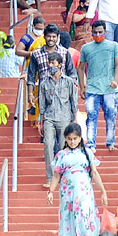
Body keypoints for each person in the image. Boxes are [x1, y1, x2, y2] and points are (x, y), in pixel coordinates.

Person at [48, 123, 108, 236]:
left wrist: (103, 191)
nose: (72, 142)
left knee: (84, 216)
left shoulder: (87, 153)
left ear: (80, 138)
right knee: (69, 219)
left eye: (75, 138)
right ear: (65, 139)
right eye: (69, 139)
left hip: (84, 192)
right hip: (68, 193)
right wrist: (50, 191)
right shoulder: (61, 155)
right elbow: (56, 176)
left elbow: (94, 172)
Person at [79, 21, 118, 151]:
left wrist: (116, 80)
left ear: (105, 32)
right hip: (92, 88)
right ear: (91, 32)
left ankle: (110, 142)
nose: (98, 34)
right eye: (95, 32)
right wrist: (82, 86)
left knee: (110, 116)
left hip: (110, 88)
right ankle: (91, 143)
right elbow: (81, 68)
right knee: (91, 117)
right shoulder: (86, 48)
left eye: (100, 32)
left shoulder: (114, 46)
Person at [37, 53, 79, 183]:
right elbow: (42, 104)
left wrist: (75, 119)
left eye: (53, 63)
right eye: (49, 63)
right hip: (49, 117)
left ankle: (63, 174)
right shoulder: (44, 83)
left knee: (63, 146)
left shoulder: (68, 82)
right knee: (48, 144)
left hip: (65, 117)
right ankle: (50, 177)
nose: (51, 65)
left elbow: (73, 101)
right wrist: (41, 122)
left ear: (60, 65)